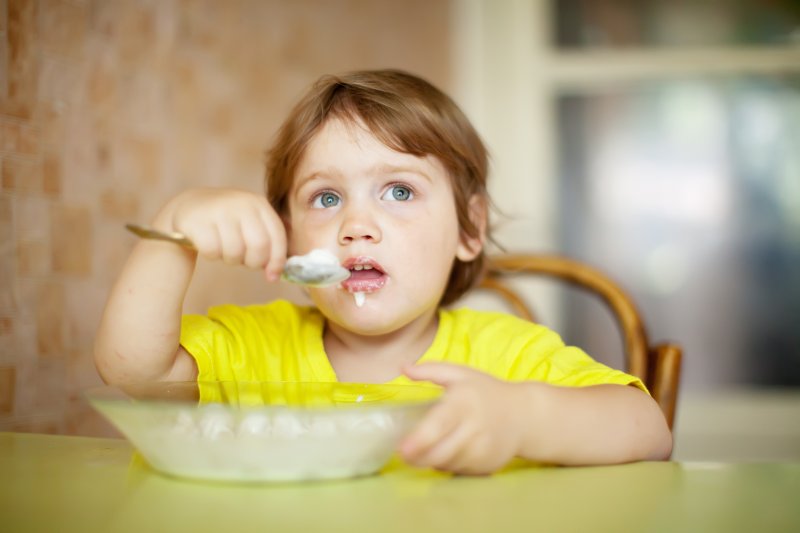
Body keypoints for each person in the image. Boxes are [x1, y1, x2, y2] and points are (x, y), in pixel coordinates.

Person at [95, 69, 672, 474]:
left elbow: (648, 428)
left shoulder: (507, 356)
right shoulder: (251, 346)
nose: (356, 225)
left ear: (469, 231)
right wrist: (173, 233)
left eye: (399, 190)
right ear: (286, 233)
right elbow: (133, 372)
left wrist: (522, 418)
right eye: (325, 199)